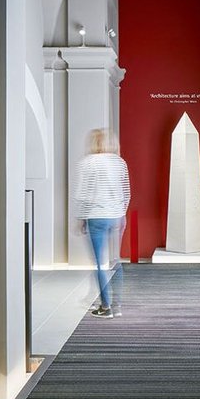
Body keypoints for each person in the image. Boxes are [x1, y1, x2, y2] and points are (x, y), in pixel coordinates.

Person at [73, 128, 130, 319]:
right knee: (116, 260)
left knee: (100, 263)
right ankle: (118, 305)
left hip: (96, 216)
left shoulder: (87, 163)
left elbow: (83, 194)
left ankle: (105, 307)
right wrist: (123, 214)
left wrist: (80, 218)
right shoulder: (120, 162)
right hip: (116, 216)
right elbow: (126, 191)